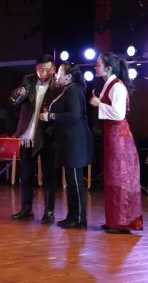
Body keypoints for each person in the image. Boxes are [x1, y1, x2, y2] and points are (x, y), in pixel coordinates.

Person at [89, 52, 143, 234]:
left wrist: (99, 104)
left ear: (108, 68)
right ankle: (114, 220)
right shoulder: (109, 85)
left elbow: (119, 114)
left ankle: (122, 222)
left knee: (120, 178)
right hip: (112, 135)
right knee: (113, 177)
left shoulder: (117, 86)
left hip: (119, 137)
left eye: (98, 64)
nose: (95, 67)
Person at [39, 63, 93, 229]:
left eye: (60, 73)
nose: (56, 75)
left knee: (75, 180)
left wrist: (50, 116)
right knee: (72, 179)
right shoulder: (68, 90)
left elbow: (74, 115)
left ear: (68, 77)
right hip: (69, 141)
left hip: (75, 141)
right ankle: (73, 216)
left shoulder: (73, 90)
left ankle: (79, 218)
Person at [10, 54, 58, 224]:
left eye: (47, 70)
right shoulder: (28, 80)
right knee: (25, 174)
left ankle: (49, 211)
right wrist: (18, 93)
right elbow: (15, 101)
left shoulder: (57, 85)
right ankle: (26, 208)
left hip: (46, 135)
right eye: (40, 69)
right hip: (27, 135)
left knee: (49, 174)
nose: (43, 73)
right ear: (36, 68)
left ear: (53, 69)